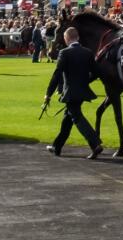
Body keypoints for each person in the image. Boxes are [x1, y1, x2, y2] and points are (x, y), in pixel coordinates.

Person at [45, 28, 105, 159]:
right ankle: (57, 146)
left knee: (77, 118)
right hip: (82, 91)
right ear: (77, 37)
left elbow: (57, 75)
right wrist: (85, 81)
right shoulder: (88, 52)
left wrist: (48, 94)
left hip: (70, 92)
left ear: (67, 39)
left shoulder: (64, 53)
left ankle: (95, 144)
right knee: (68, 118)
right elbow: (97, 72)